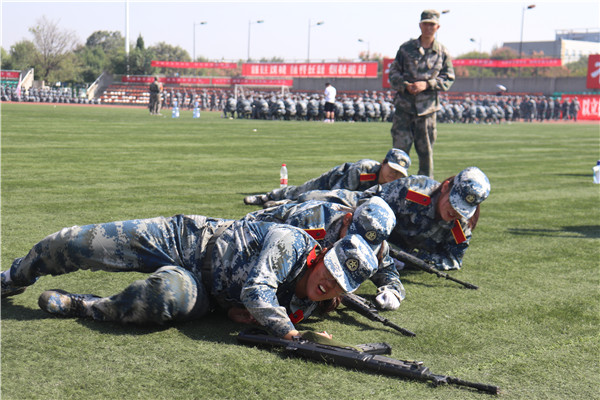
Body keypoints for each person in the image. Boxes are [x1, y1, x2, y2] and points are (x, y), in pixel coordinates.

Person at [1, 216, 378, 340]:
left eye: (340, 284)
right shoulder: (292, 242)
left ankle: (83, 305)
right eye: (331, 271)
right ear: (324, 255)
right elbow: (257, 290)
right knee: (78, 243)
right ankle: (14, 276)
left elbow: (243, 311)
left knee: (161, 299)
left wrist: (239, 315)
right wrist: (290, 334)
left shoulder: (306, 306)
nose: (329, 284)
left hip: (203, 292)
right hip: (189, 241)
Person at [276, 167, 490, 272]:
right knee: (314, 199)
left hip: (389, 247)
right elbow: (372, 199)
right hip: (369, 216)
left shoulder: (460, 227)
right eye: (453, 203)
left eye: (463, 209)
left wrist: (413, 260)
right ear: (445, 187)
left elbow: (452, 260)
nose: (455, 212)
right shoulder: (414, 191)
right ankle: (279, 202)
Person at [244, 196, 405, 309]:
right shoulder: (311, 220)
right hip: (252, 241)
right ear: (347, 219)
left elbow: (387, 272)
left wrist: (392, 292)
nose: (360, 247)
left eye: (368, 246)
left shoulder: (377, 245)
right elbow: (277, 258)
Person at [388, 9, 455, 178]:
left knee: (426, 155)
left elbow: (448, 78)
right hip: (404, 109)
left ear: (438, 27)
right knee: (398, 154)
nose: (428, 28)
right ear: (420, 25)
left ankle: (426, 189)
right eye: (425, 24)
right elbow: (393, 73)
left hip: (427, 111)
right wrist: (405, 85)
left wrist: (427, 84)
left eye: (432, 24)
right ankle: (394, 187)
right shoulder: (406, 49)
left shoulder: (442, 52)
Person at [243, 148, 411, 207]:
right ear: (383, 163)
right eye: (392, 169)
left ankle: (281, 204)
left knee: (308, 202)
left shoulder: (394, 186)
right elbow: (337, 194)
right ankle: (267, 197)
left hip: (352, 199)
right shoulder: (363, 168)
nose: (393, 175)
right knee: (301, 192)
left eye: (399, 173)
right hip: (333, 183)